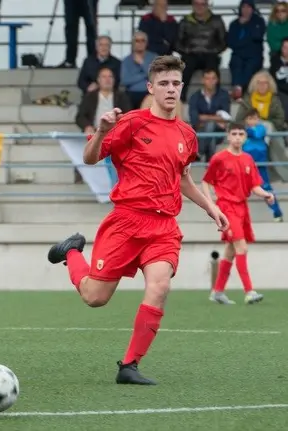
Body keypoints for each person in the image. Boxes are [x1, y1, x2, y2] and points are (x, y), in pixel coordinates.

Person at [46, 56, 228, 385]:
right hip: (126, 223)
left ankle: (129, 365)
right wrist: (101, 132)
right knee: (95, 298)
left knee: (160, 287)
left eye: (175, 83)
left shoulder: (187, 135)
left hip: (163, 228)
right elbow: (89, 158)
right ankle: (72, 253)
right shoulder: (130, 123)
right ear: (151, 88)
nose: (170, 89)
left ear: (182, 88)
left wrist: (210, 207)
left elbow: (184, 179)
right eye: (164, 84)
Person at [202, 122, 271, 306]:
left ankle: (217, 292)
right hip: (226, 207)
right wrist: (211, 204)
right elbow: (206, 182)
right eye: (234, 133)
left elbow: (255, 186)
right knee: (242, 248)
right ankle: (249, 291)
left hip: (242, 208)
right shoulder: (219, 158)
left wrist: (266, 195)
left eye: (241, 133)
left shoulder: (248, 159)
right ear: (228, 136)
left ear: (245, 137)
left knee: (231, 251)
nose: (238, 137)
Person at [242, 108, 284, 222]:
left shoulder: (261, 128)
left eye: (255, 118)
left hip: (260, 165)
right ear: (246, 120)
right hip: (246, 166)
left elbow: (256, 134)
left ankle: (277, 213)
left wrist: (246, 131)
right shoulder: (242, 132)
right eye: (250, 119)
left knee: (266, 189)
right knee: (240, 189)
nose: (253, 121)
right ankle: (237, 215)